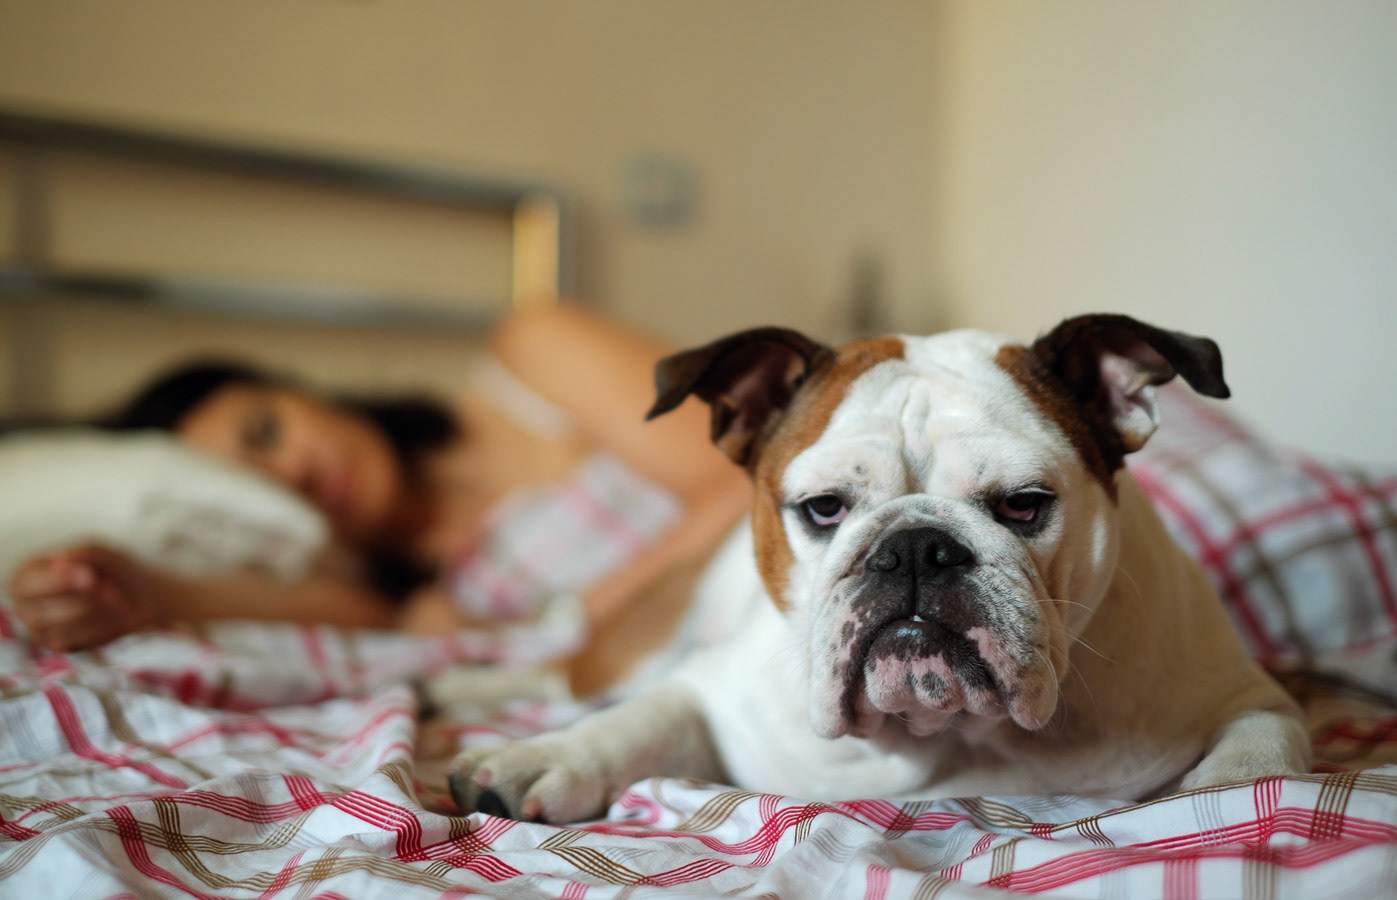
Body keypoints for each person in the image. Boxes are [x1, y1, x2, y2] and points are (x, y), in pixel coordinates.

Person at [5, 305, 752, 661]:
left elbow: (746, 477)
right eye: (262, 483)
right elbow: (237, 606)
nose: (292, 467)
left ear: (301, 392)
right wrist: (125, 586)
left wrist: (559, 629)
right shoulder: (414, 607)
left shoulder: (532, 360)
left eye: (266, 430)